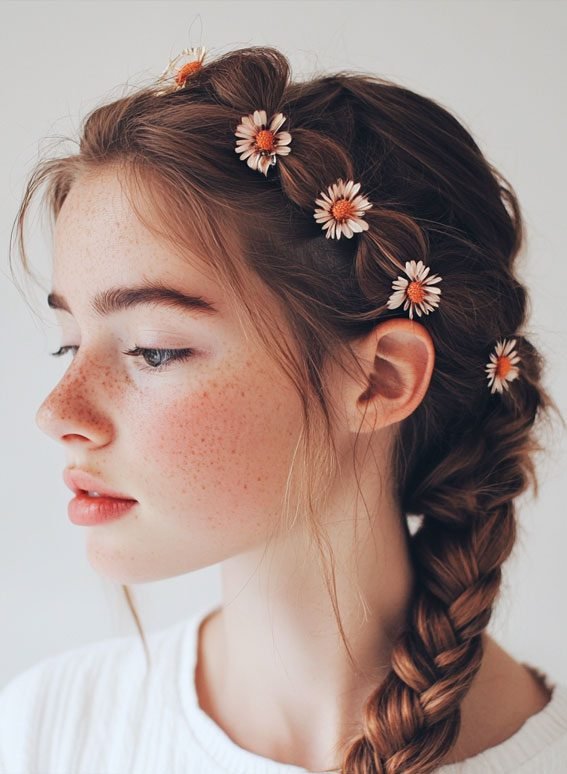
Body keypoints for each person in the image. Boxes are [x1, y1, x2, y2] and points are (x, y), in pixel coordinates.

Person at [1, 44, 566, 774]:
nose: (57, 411)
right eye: (68, 344)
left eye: (151, 349)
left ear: (380, 380)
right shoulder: (42, 733)